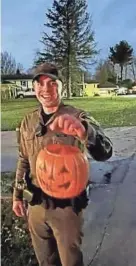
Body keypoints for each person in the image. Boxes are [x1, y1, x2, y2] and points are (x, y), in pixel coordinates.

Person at [12, 63, 113, 266]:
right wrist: (17, 195)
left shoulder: (77, 116)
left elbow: (105, 151)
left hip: (66, 210)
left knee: (70, 261)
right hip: (36, 207)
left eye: (52, 83)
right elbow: (23, 160)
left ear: (61, 87)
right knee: (46, 261)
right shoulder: (28, 122)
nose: (46, 89)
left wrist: (85, 132)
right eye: (40, 84)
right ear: (34, 88)